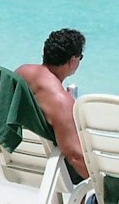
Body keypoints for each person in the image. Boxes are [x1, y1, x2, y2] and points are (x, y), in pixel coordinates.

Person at [15, 28, 89, 183]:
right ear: (72, 60)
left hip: (18, 157)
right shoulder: (60, 100)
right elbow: (75, 157)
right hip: (51, 165)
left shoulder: (21, 73)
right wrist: (100, 181)